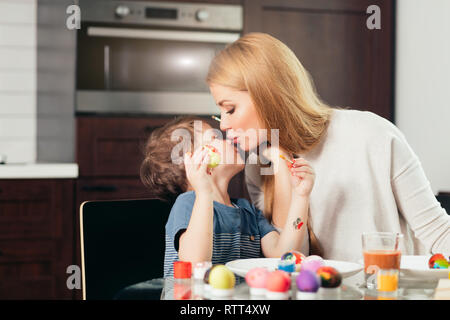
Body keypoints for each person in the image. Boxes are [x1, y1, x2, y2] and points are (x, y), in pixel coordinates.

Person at [206, 32, 450, 262]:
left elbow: (437, 231)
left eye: (230, 109)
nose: (224, 124)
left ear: (267, 95)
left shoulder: (372, 134)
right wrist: (280, 161)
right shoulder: (259, 167)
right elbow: (291, 260)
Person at [140, 117, 315, 277]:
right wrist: (204, 192)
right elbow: (195, 263)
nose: (226, 139)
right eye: (214, 139)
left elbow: (283, 255)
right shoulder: (188, 203)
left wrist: (301, 195)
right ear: (195, 162)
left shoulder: (247, 210)